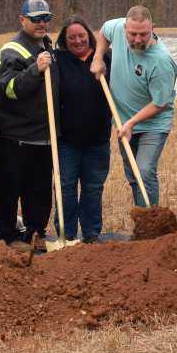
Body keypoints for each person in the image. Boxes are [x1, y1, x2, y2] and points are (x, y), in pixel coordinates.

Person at [91, 6, 177, 207]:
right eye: (132, 34)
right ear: (124, 29)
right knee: (133, 174)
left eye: (143, 34)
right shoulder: (117, 28)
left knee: (144, 171)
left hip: (152, 124)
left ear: (153, 28)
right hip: (123, 119)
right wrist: (98, 57)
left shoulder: (161, 62)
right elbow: (104, 30)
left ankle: (152, 229)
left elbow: (160, 103)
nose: (138, 39)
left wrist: (130, 122)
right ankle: (142, 224)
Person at [0, 0, 59, 252]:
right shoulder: (12, 51)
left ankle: (36, 233)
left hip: (43, 135)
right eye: (36, 19)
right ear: (22, 20)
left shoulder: (47, 46)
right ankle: (9, 238)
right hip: (14, 137)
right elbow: (9, 89)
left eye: (46, 18)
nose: (42, 23)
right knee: (8, 190)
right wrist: (35, 70)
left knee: (40, 191)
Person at [54, 15, 112, 244]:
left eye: (81, 36)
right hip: (66, 141)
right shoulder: (58, 60)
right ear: (64, 40)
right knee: (65, 187)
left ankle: (90, 233)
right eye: (71, 37)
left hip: (98, 140)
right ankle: (66, 233)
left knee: (93, 187)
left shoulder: (106, 58)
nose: (77, 41)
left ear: (89, 35)